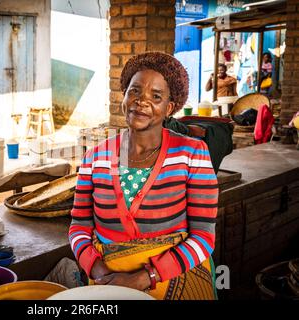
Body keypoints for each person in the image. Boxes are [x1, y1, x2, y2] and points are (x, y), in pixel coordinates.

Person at [69, 52, 219, 300]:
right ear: (124, 98)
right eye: (135, 91)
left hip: (175, 281)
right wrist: (98, 270)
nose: (142, 101)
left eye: (156, 96)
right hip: (107, 280)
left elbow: (204, 236)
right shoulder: (94, 158)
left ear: (169, 108)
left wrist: (145, 278)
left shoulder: (192, 153)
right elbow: (79, 227)